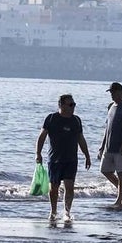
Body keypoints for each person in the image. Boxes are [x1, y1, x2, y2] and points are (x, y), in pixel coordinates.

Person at [36, 94, 91, 227]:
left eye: (74, 104)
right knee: (53, 188)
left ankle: (67, 212)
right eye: (70, 104)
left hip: (71, 159)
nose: (73, 107)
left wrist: (87, 155)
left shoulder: (76, 121)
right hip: (55, 160)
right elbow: (42, 136)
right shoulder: (51, 118)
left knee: (69, 187)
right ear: (61, 105)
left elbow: (81, 139)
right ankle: (53, 211)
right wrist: (38, 153)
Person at [98, 82, 122, 206]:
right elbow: (107, 129)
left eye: (114, 92)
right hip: (109, 146)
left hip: (121, 146)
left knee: (121, 172)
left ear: (121, 92)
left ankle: (120, 198)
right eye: (111, 92)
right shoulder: (110, 106)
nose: (112, 94)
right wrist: (102, 146)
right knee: (104, 170)